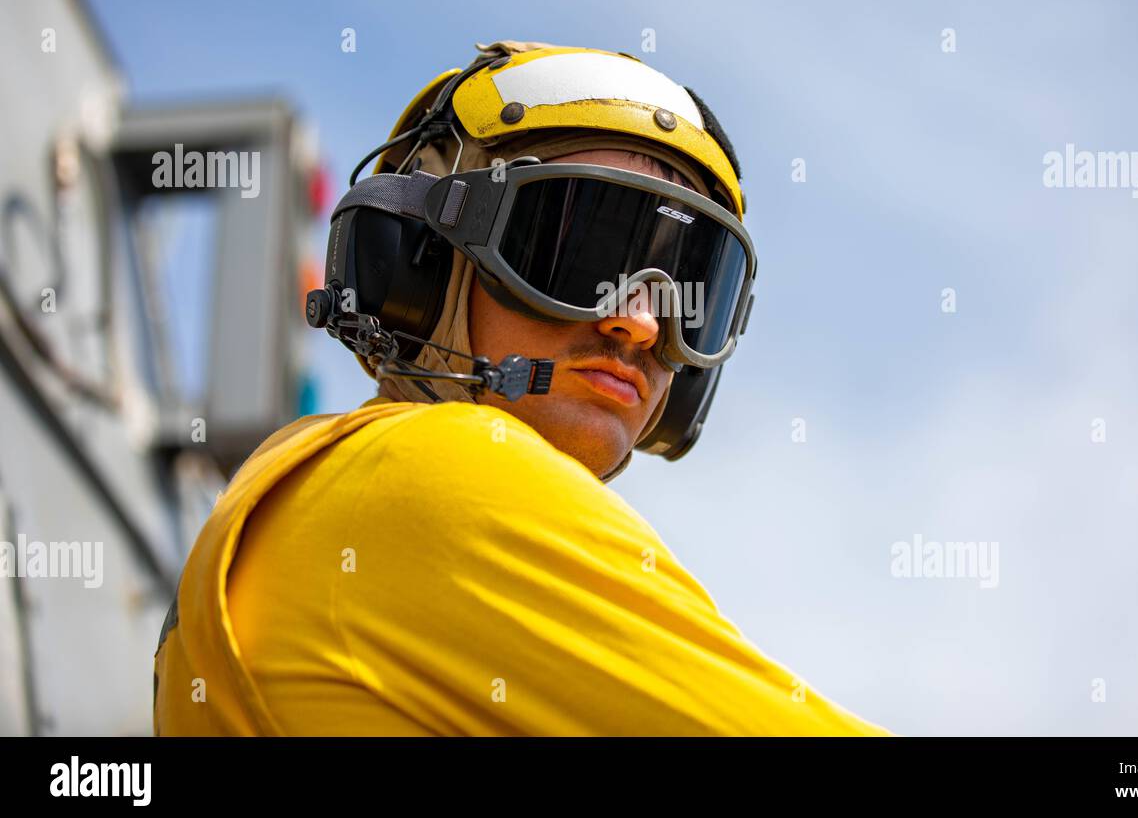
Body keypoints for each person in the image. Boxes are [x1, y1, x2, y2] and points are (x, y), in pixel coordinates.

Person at [153, 40, 891, 736]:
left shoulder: (310, 488)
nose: (638, 320)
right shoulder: (439, 469)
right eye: (586, 254)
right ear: (422, 266)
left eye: (687, 284)